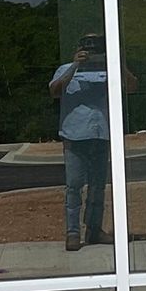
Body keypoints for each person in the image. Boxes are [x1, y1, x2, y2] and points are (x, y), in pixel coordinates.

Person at [47, 32, 132, 251]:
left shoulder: (108, 71)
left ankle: (94, 230)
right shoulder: (66, 69)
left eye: (97, 46)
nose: (92, 50)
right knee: (74, 186)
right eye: (88, 45)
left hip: (101, 135)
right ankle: (72, 232)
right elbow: (54, 92)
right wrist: (75, 65)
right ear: (78, 47)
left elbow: (131, 87)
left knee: (98, 187)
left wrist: (117, 62)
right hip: (74, 135)